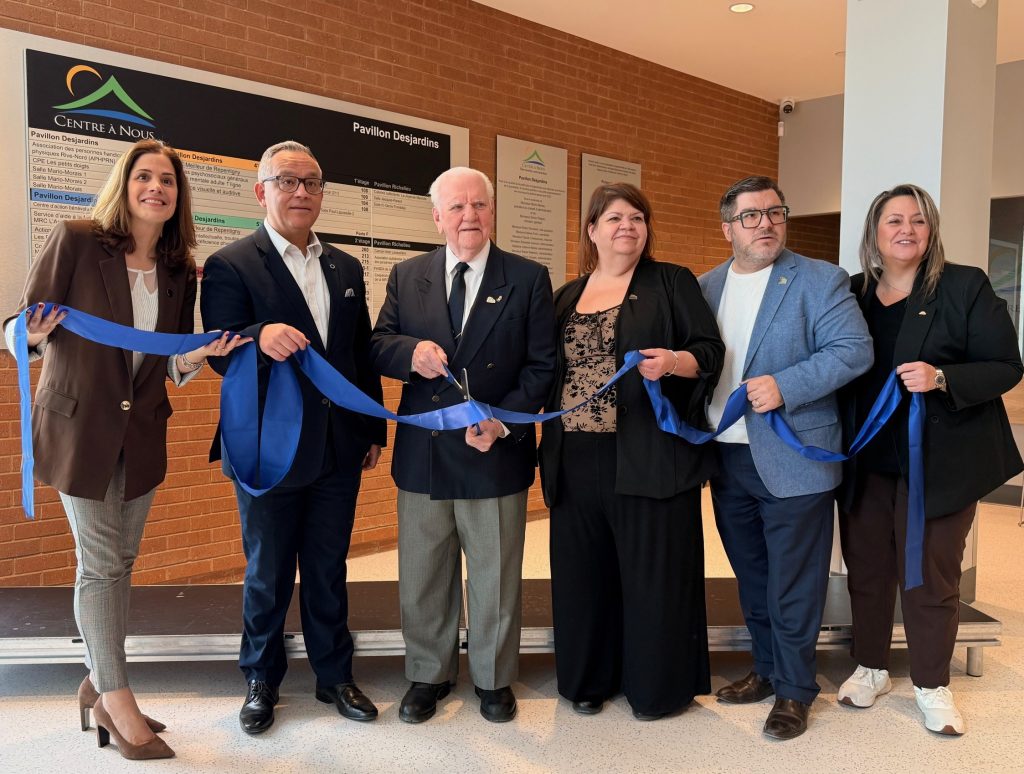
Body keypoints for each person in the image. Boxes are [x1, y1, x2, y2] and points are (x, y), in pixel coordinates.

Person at [4, 140, 245, 760]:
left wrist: (203, 351)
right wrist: (27, 335)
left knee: (123, 560)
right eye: (144, 176)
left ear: (177, 194)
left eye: (167, 180)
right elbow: (18, 328)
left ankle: (95, 682)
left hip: (141, 433)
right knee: (102, 564)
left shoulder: (176, 266)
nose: (156, 188)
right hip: (77, 428)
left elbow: (167, 363)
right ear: (125, 183)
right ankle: (116, 695)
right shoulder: (78, 239)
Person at [200, 140, 386, 735]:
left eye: (311, 182)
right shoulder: (232, 263)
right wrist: (258, 334)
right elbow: (220, 355)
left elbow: (358, 356)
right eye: (287, 181)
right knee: (268, 570)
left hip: (338, 445)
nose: (301, 192)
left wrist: (373, 427)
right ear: (262, 191)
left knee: (330, 567)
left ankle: (335, 676)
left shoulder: (347, 268)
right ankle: (261, 678)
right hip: (267, 448)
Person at [835, 184, 1023, 736]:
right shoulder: (853, 293)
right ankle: (870, 667)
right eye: (894, 220)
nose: (906, 230)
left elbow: (1007, 365)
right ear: (874, 232)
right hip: (867, 458)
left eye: (918, 221)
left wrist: (942, 378)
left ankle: (932, 684)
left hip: (941, 462)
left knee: (931, 573)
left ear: (931, 230)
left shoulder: (964, 285)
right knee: (867, 568)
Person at [370, 166, 556, 723]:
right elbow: (378, 344)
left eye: (478, 205)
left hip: (495, 450)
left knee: (496, 576)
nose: (469, 216)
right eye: (456, 207)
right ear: (437, 216)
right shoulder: (408, 275)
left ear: (492, 211)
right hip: (425, 455)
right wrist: (410, 355)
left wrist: (503, 423)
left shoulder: (527, 276)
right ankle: (428, 674)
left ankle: (495, 680)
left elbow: (543, 366)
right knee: (424, 574)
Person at [537, 183, 723, 720]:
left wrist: (673, 362)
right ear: (592, 230)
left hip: (649, 453)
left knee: (653, 575)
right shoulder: (566, 296)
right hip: (573, 456)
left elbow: (708, 352)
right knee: (582, 575)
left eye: (638, 217)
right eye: (614, 217)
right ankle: (588, 680)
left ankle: (655, 689)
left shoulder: (670, 282)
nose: (628, 226)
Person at [698, 175, 873, 740]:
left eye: (775, 213)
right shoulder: (706, 286)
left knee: (795, 581)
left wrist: (786, 384)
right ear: (728, 228)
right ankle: (768, 670)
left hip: (796, 455)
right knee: (752, 576)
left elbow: (853, 350)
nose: (766, 224)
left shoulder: (820, 279)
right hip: (727, 458)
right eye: (751, 216)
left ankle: (796, 690)